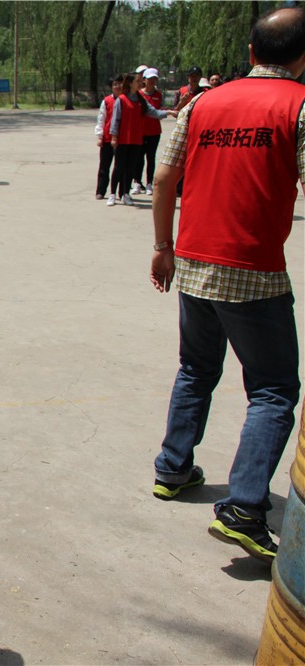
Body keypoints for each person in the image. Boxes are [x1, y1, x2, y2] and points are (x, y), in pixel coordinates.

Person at [148, 6, 305, 564]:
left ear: (251, 52)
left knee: (196, 368)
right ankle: (243, 508)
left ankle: (172, 469)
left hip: (193, 262)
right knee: (273, 389)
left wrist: (163, 246)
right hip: (254, 272)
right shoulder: (299, 106)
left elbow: (164, 177)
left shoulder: (202, 103)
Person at [107, 72, 173, 207]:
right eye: (137, 81)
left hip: (136, 140)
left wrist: (169, 112)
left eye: (140, 81)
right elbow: (115, 120)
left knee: (130, 167)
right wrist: (114, 136)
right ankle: (112, 194)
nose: (140, 83)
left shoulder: (141, 100)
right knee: (119, 167)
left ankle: (125, 193)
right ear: (130, 83)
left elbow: (154, 112)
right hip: (123, 139)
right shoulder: (122, 99)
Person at [94, 75, 123, 200]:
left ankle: (121, 192)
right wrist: (100, 136)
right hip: (107, 138)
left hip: (123, 139)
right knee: (104, 166)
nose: (118, 86)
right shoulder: (106, 101)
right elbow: (101, 119)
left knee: (120, 167)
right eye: (115, 84)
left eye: (120, 84)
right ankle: (100, 191)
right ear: (111, 87)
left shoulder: (126, 100)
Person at [136, 67, 164, 196]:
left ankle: (149, 184)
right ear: (144, 80)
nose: (152, 81)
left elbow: (159, 110)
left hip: (154, 131)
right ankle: (137, 182)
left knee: (151, 158)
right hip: (140, 131)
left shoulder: (158, 95)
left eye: (154, 79)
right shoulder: (138, 94)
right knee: (138, 158)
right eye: (149, 79)